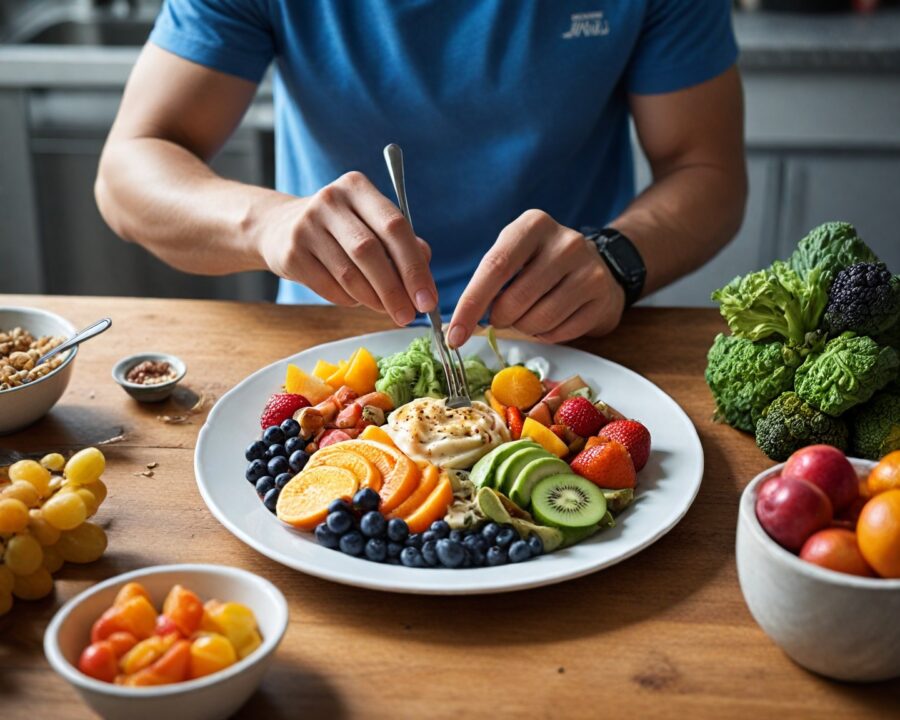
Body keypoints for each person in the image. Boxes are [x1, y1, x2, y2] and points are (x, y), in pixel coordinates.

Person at [96, 1, 746, 348]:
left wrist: (616, 258)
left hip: (576, 337)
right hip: (334, 339)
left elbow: (707, 171)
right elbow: (129, 169)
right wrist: (266, 222)